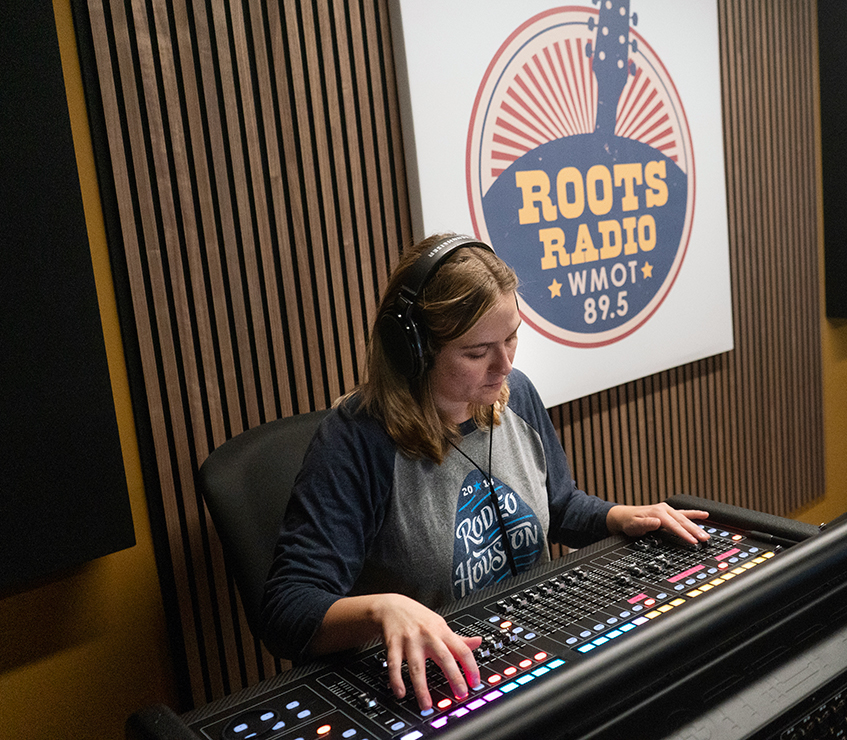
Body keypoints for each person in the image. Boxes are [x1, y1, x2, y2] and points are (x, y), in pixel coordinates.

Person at [260, 233, 709, 711]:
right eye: (477, 353)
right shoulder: (355, 441)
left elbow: (556, 505)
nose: (505, 365)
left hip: (532, 655)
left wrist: (618, 516)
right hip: (435, 686)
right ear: (412, 350)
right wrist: (382, 609)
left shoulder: (517, 393)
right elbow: (287, 609)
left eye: (512, 337)